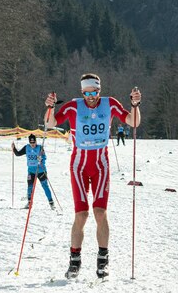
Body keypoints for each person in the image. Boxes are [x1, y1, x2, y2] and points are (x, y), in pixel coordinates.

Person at [45, 74, 141, 279]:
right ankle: (74, 261)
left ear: (99, 90)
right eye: (86, 93)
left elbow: (133, 122)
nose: (90, 97)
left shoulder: (110, 104)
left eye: (94, 92)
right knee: (81, 214)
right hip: (79, 167)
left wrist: (135, 105)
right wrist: (50, 107)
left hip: (101, 166)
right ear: (82, 92)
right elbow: (51, 123)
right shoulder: (73, 106)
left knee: (100, 212)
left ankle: (103, 260)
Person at [12, 134, 55, 210]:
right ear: (29, 142)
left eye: (34, 142)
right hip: (31, 171)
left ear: (36, 141)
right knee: (30, 187)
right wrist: (13, 148)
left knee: (45, 186)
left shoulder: (40, 148)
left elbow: (44, 157)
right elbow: (18, 154)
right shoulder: (26, 147)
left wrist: (41, 159)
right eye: (31, 143)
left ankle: (51, 203)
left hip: (41, 170)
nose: (33, 144)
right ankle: (29, 203)